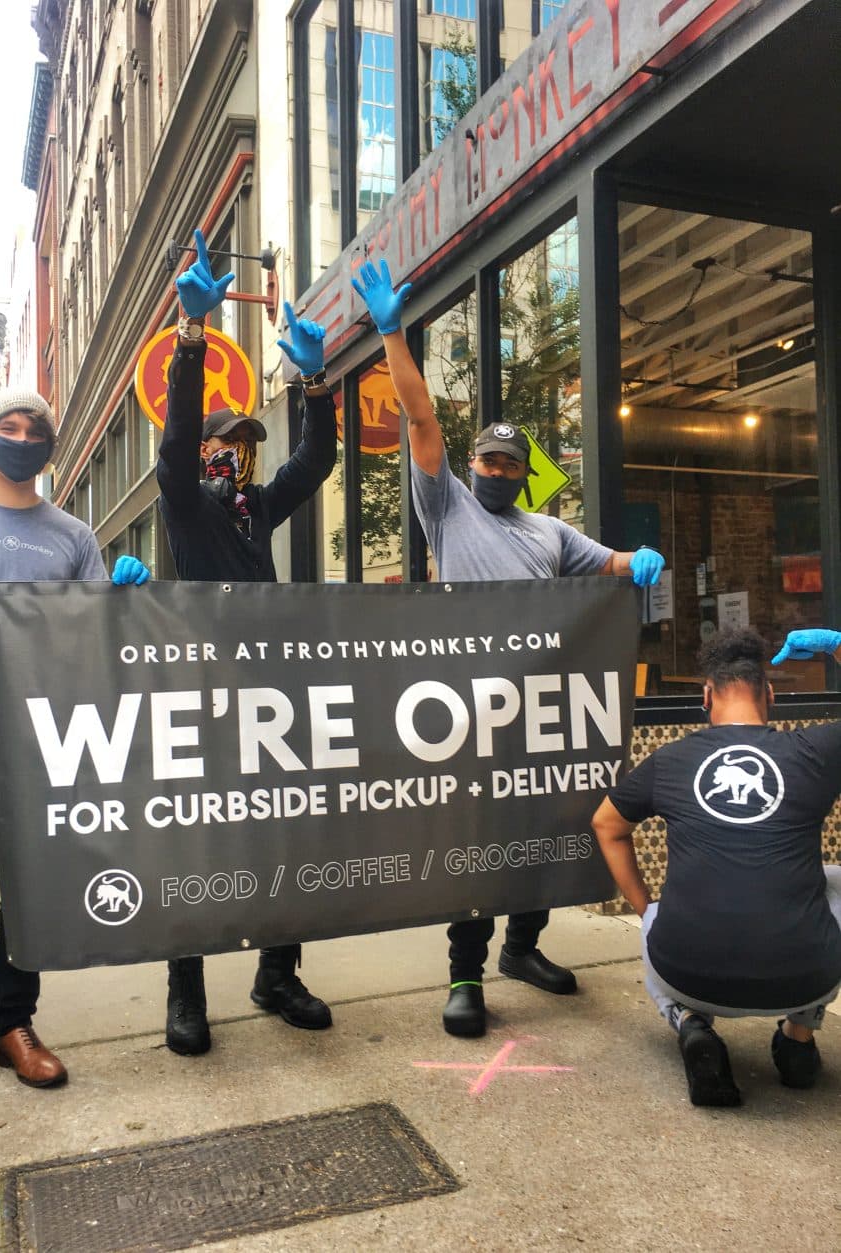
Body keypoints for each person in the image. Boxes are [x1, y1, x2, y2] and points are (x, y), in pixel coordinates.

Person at [350, 259, 665, 1038]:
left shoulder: (549, 531)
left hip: (536, 710)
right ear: (472, 466)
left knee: (546, 828)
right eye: (486, 460)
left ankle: (522, 947)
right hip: (467, 711)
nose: (495, 470)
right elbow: (421, 419)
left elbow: (612, 564)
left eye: (508, 464)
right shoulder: (447, 507)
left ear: (525, 474)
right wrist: (392, 334)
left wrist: (643, 560)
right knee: (475, 841)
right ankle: (465, 974)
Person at [0, 389, 151, 1108]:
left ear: (48, 445)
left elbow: (97, 633)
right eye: (6, 427)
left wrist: (124, 594)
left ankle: (16, 1024)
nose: (19, 438)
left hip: (41, 722)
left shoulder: (72, 535)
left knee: (29, 879)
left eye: (32, 429)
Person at [155, 228, 338, 1055]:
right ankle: (186, 990)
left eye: (245, 445)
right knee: (197, 841)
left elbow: (316, 459)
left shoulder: (257, 508)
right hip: (200, 695)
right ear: (204, 452)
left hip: (267, 696)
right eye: (225, 443)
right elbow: (171, 446)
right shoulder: (187, 504)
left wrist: (314, 382)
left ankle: (277, 973)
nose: (237, 453)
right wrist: (191, 338)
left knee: (280, 830)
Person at [591, 626, 841, 1107]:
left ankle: (689, 1021)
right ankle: (799, 1036)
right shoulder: (815, 751)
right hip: (802, 977)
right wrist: (835, 646)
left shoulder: (670, 760)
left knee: (661, 913)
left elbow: (606, 824)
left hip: (687, 972)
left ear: (706, 697)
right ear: (770, 696)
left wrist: (646, 911)